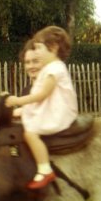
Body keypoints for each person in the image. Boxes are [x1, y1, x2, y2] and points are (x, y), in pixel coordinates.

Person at [6, 26, 78, 190]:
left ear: (53, 48)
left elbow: (41, 96)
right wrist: (17, 111)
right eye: (28, 61)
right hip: (52, 107)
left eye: (39, 48)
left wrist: (18, 100)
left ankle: (44, 169)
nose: (36, 52)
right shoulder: (51, 69)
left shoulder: (54, 70)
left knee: (30, 132)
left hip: (58, 112)